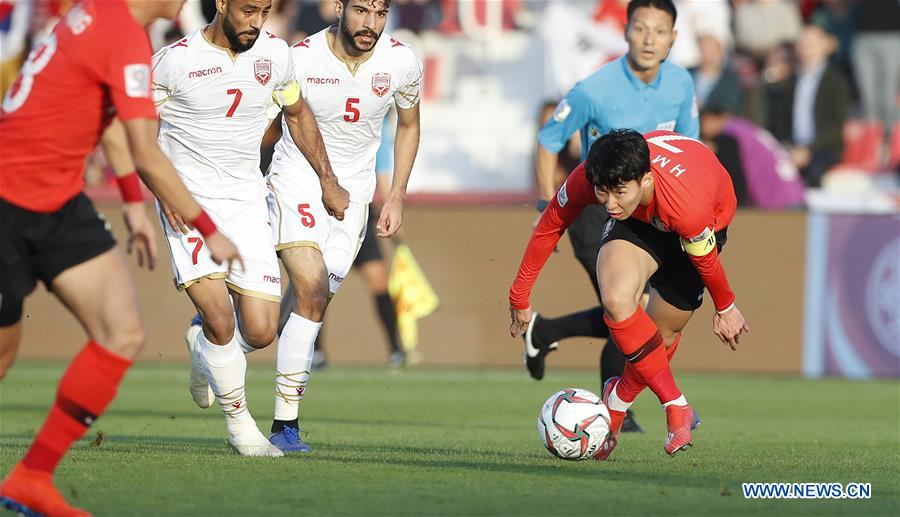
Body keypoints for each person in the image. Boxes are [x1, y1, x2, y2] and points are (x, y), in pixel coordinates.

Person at [0, 0, 241, 514]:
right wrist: (208, 229)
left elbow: (109, 122)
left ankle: (32, 478)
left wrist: (133, 205)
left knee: (122, 332)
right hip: (7, 199)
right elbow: (148, 151)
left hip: (57, 202)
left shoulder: (104, 18)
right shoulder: (121, 34)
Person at [153, 0, 345, 457]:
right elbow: (136, 131)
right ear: (221, 4)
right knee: (220, 316)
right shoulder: (174, 60)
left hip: (245, 201)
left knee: (260, 331)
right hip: (189, 202)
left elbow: (297, 114)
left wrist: (328, 178)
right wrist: (164, 194)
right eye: (247, 11)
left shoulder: (276, 55)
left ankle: (204, 350)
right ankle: (242, 428)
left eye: (264, 11)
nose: (256, 22)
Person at [509, 129, 749, 459]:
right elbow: (550, 223)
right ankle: (676, 406)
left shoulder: (688, 208)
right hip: (640, 219)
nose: (609, 203)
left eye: (619, 192)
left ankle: (615, 410)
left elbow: (706, 262)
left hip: (704, 219)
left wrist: (726, 306)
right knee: (617, 299)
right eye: (602, 193)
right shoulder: (593, 180)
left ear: (645, 179)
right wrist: (519, 295)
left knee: (661, 336)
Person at [529, 0, 698, 433]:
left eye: (659, 31)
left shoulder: (681, 83)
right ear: (625, 32)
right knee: (632, 305)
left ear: (673, 38)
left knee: (637, 310)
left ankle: (546, 332)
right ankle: (614, 410)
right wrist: (548, 201)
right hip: (596, 209)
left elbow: (690, 148)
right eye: (640, 28)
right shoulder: (593, 89)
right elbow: (549, 139)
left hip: (653, 214)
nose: (648, 38)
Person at [265, 0, 422, 452]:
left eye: (379, 13)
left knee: (306, 304)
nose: (369, 24)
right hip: (298, 178)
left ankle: (218, 335)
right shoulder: (299, 58)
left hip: (354, 198)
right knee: (312, 292)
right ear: (339, 7)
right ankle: (285, 426)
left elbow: (409, 125)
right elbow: (267, 120)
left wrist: (395, 196)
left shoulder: (401, 62)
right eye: (360, 11)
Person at [767, 24, 851, 187]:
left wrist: (808, 150)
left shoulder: (836, 81)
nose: (807, 47)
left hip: (823, 149)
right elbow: (780, 119)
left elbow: (835, 126)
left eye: (812, 42)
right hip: (791, 147)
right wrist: (788, 147)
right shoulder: (789, 80)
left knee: (813, 172)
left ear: (826, 45)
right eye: (803, 42)